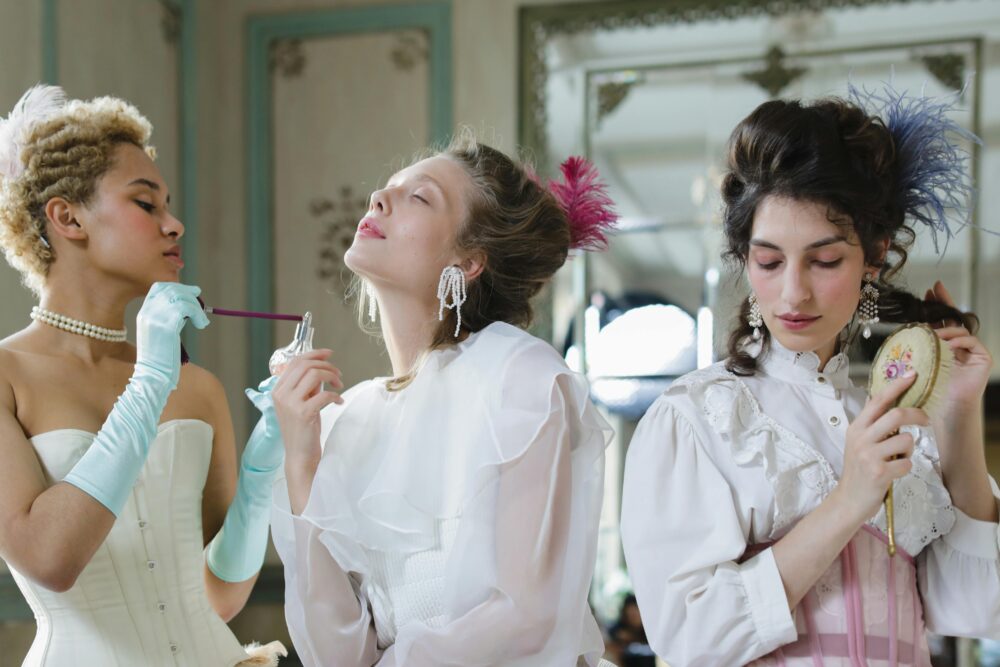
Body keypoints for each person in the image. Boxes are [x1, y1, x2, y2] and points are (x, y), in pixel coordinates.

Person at [620, 85, 1000, 665]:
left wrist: (958, 415)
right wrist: (849, 500)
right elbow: (690, 639)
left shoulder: (892, 424)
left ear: (874, 256)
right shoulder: (699, 418)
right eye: (769, 261)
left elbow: (977, 608)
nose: (793, 292)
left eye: (824, 260)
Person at [270, 134, 618, 666]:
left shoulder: (519, 377)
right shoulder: (348, 418)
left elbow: (526, 618)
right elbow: (337, 655)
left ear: (469, 260)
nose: (378, 199)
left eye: (419, 196)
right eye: (387, 187)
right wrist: (301, 459)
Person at [0, 85, 285, 665]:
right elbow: (50, 560)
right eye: (145, 203)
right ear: (67, 217)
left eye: (168, 205)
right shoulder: (9, 376)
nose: (174, 224)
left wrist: (263, 471)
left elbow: (219, 598)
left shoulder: (199, 389)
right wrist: (151, 378)